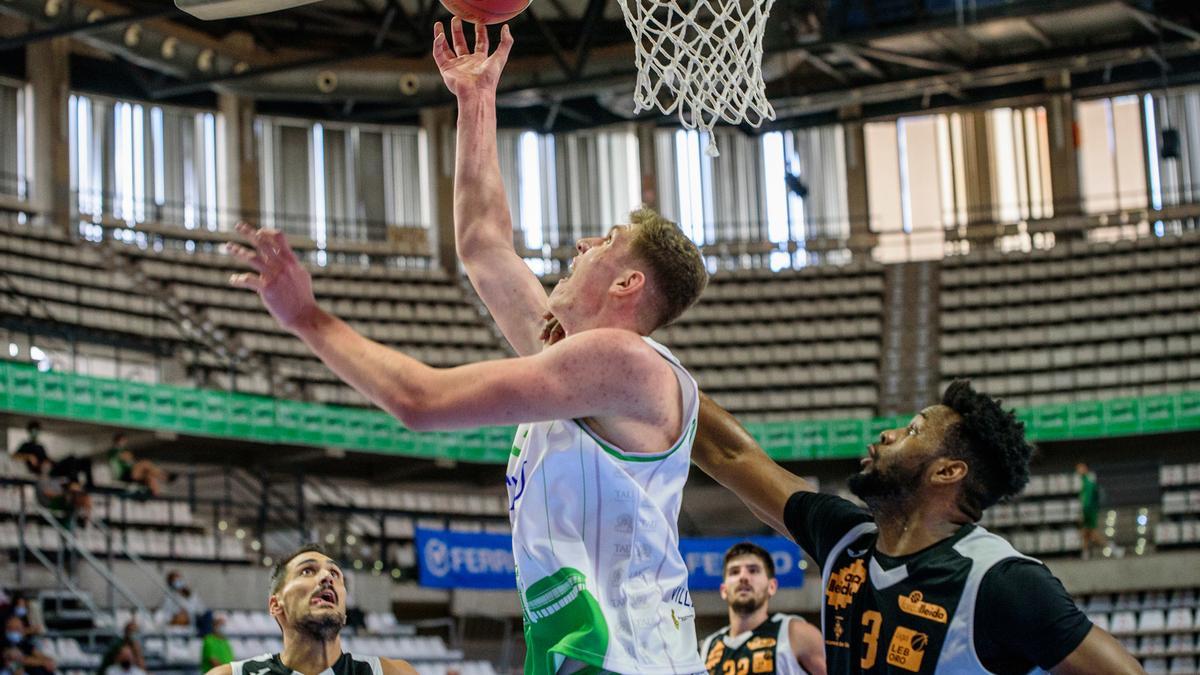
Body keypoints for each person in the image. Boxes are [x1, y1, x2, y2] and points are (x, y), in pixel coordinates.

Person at [223, 18, 709, 673]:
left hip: (631, 659)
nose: (580, 247)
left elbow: (420, 400)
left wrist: (307, 317)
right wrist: (475, 101)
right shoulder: (573, 359)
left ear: (627, 282)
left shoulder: (624, 363)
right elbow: (483, 241)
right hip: (581, 652)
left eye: (602, 242)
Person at [689, 380, 1145, 674]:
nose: (888, 434)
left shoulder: (1001, 581)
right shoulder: (845, 539)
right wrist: (643, 365)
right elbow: (733, 456)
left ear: (947, 472)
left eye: (912, 430)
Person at [203, 544, 416, 675]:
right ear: (276, 605)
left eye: (335, 573)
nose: (326, 577)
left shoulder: (392, 673)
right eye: (307, 571)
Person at [700, 542, 825, 675]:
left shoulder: (797, 633)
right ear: (723, 590)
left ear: (772, 586)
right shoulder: (709, 646)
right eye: (734, 572)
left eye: (753, 570)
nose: (743, 577)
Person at [11, 422, 94, 488]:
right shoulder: (26, 445)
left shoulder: (40, 446)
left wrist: (50, 461)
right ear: (29, 431)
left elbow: (46, 458)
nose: (35, 433)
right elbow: (14, 456)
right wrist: (29, 456)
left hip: (52, 467)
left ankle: (90, 486)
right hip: (45, 471)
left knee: (85, 461)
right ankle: (74, 483)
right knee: (71, 460)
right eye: (33, 431)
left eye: (36, 431)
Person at [1076, 462, 1109, 559]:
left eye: (1080, 468)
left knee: (1092, 533)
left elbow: (1087, 500)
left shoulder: (1088, 482)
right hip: (1089, 511)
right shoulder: (1084, 481)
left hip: (1090, 511)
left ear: (1085, 468)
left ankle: (1113, 549)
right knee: (1086, 533)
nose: (1078, 471)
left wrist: (1083, 514)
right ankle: (1085, 554)